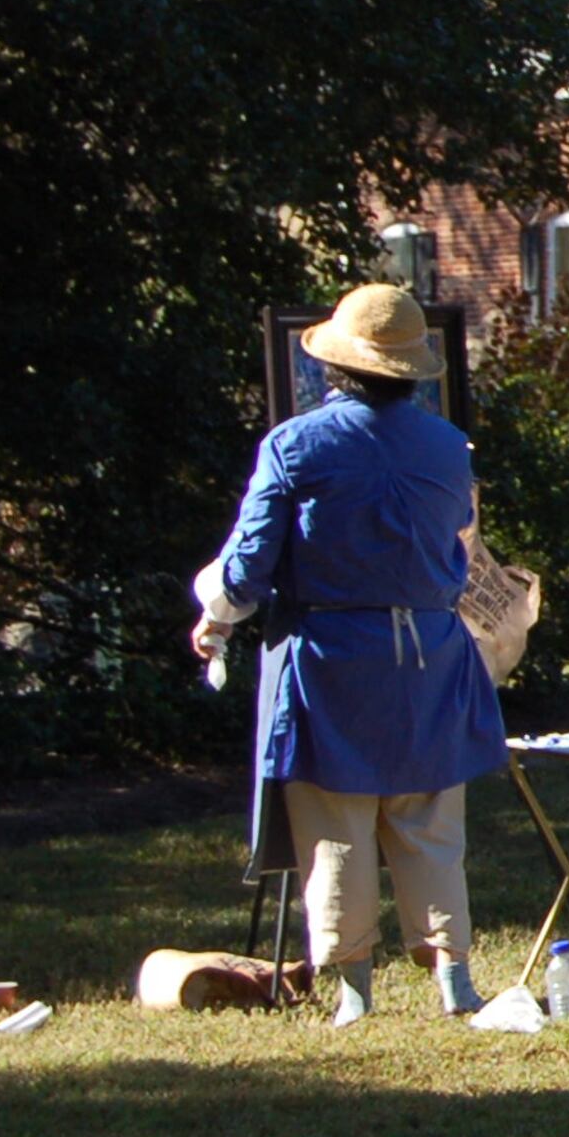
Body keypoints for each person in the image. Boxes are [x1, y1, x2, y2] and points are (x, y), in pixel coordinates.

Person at [190, 285, 507, 1024]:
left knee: (336, 823)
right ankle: (456, 983)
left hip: (332, 658)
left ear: (335, 365)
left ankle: (355, 992)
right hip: (431, 654)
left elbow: (245, 569)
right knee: (431, 822)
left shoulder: (295, 445)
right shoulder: (447, 447)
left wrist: (216, 616)